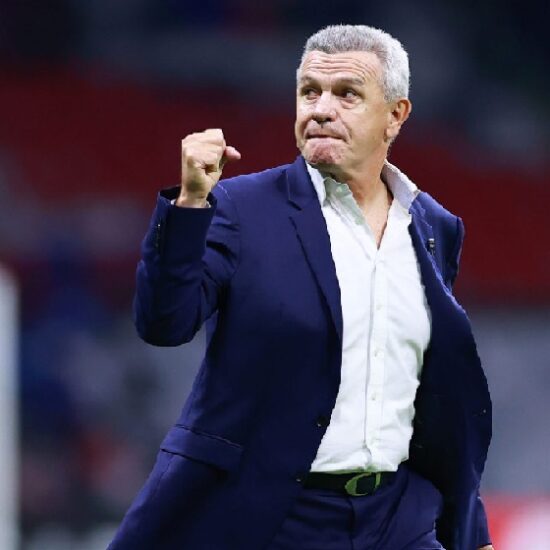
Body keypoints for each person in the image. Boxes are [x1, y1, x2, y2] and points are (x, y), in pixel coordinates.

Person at [109, 25, 493, 550]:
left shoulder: (433, 226)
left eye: (347, 94)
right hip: (274, 517)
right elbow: (163, 324)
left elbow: (434, 395)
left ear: (395, 115)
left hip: (396, 519)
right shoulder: (241, 209)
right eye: (310, 92)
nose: (321, 109)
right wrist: (191, 203)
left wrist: (469, 530)